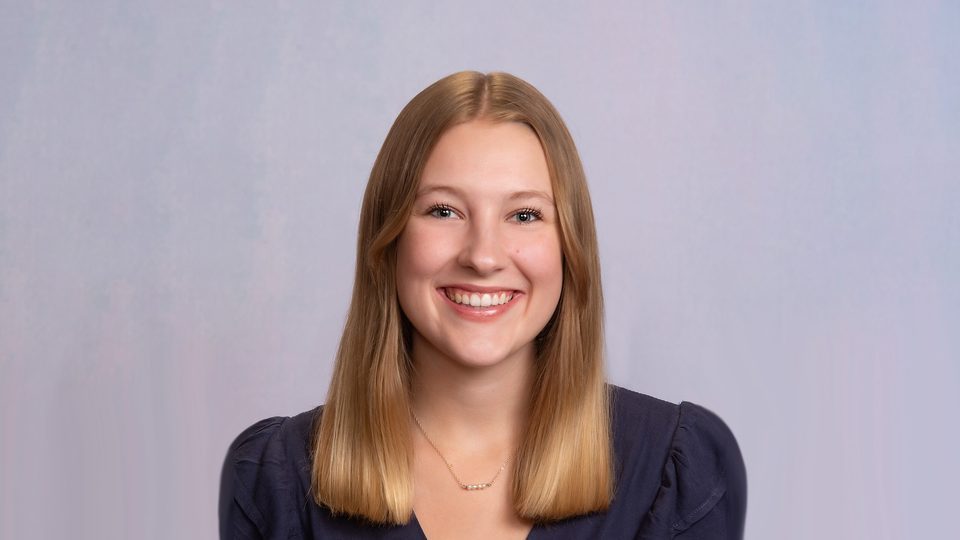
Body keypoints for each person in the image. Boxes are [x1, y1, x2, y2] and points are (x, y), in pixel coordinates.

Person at [219, 71, 747, 539]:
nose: (483, 256)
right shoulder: (274, 477)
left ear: (570, 247)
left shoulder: (673, 472)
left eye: (524, 216)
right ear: (389, 240)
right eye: (444, 210)